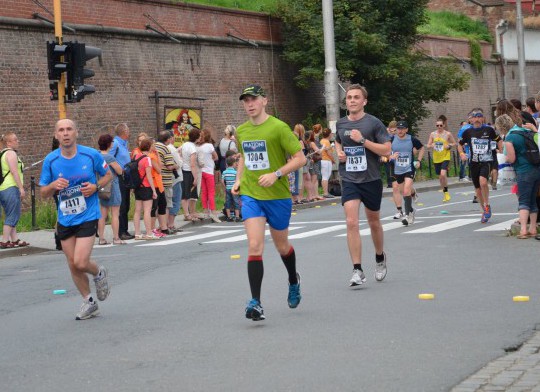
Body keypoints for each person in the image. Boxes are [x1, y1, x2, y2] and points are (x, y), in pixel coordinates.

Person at [232, 84, 306, 321]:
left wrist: (276, 174)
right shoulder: (241, 131)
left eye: (253, 99)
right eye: (246, 101)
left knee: (282, 246)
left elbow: (300, 158)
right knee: (254, 245)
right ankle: (256, 302)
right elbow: (244, 156)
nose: (250, 104)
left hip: (278, 196)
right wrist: (239, 179)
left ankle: (293, 279)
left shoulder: (279, 128)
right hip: (252, 195)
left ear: (264, 101)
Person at [39, 119, 112, 320]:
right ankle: (89, 301)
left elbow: (108, 174)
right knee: (72, 264)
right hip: (65, 218)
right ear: (56, 135)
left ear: (76, 132)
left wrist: (96, 187)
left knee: (81, 262)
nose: (65, 133)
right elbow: (44, 192)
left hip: (88, 215)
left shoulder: (91, 154)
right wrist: (53, 185)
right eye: (61, 130)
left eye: (69, 129)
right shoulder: (51, 161)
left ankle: (98, 272)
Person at [334, 84, 391, 287]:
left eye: (356, 97)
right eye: (349, 97)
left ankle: (379, 257)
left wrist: (363, 141)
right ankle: (357, 269)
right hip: (349, 178)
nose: (352, 100)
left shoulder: (374, 123)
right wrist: (339, 153)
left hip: (371, 178)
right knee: (351, 222)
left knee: (373, 221)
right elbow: (338, 141)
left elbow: (386, 150)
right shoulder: (341, 124)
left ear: (364, 101)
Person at [458, 108, 502, 223]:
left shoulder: (489, 130)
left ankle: (487, 204)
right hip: (474, 162)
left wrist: (501, 152)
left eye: (479, 116)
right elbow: (459, 145)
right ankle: (484, 211)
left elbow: (499, 140)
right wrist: (462, 153)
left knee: (483, 182)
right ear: (471, 119)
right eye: (475, 117)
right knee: (477, 189)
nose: (477, 119)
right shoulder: (467, 132)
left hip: (486, 161)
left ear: (482, 118)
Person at [503, 115, 540, 239]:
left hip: (523, 171)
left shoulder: (510, 137)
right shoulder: (531, 134)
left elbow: (512, 158)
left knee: (523, 200)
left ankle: (523, 230)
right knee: (533, 200)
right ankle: (533, 228)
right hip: (536, 169)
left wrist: (505, 158)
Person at [387, 121, 424, 226]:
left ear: (406, 129)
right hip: (398, 170)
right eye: (398, 128)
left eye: (403, 129)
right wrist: (391, 156)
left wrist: (419, 161)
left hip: (409, 168)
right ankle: (412, 209)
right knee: (403, 191)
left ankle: (408, 216)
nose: (400, 131)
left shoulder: (411, 139)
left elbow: (421, 148)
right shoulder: (392, 139)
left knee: (406, 189)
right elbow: (385, 152)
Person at [0, 132, 29, 249]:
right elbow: (14, 171)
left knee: (10, 214)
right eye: (15, 140)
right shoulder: (11, 153)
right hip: (11, 187)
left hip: (3, 188)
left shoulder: (2, 154)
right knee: (13, 214)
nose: (18, 141)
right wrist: (21, 188)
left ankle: (14, 239)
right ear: (8, 142)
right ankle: (5, 241)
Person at [96, 134, 125, 245]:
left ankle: (101, 238)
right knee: (115, 213)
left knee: (102, 214)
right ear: (109, 144)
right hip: (112, 187)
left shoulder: (96, 156)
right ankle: (116, 238)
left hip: (101, 187)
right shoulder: (109, 158)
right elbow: (119, 171)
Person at [132, 138, 159, 240]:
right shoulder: (147, 159)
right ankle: (148, 233)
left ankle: (137, 233)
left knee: (137, 211)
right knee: (147, 210)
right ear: (149, 146)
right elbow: (148, 176)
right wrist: (153, 190)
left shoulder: (136, 156)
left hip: (137, 187)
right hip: (146, 186)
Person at [110, 123, 134, 240]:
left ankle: (125, 230)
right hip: (119, 177)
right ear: (124, 131)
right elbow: (108, 158)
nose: (129, 132)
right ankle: (121, 232)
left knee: (126, 205)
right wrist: (118, 171)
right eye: (128, 130)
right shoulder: (115, 143)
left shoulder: (124, 144)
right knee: (122, 205)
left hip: (126, 178)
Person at [427, 118, 456, 202]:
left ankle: (446, 192)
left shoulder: (448, 134)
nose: (439, 127)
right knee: (440, 178)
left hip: (445, 156)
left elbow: (454, 143)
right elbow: (428, 145)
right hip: (436, 158)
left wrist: (449, 146)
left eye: (440, 125)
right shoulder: (432, 134)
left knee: (443, 174)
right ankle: (445, 193)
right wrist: (431, 145)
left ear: (444, 125)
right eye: (437, 125)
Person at [155, 131, 177, 233]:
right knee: (167, 204)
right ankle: (165, 226)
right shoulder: (165, 148)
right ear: (167, 139)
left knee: (157, 205)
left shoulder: (154, 147)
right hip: (166, 180)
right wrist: (176, 166)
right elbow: (169, 165)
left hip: (156, 180)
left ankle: (158, 225)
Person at [197, 129, 220, 223]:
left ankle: (205, 211)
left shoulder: (198, 147)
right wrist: (211, 160)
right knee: (211, 192)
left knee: (204, 192)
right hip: (209, 171)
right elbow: (216, 157)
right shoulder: (209, 146)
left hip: (201, 171)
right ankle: (213, 212)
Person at [180, 128, 201, 222]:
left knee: (185, 193)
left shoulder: (185, 144)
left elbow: (177, 151)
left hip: (183, 170)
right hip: (189, 171)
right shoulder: (192, 148)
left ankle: (187, 213)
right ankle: (187, 214)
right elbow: (193, 164)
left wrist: (181, 161)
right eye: (199, 136)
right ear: (197, 137)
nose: (200, 137)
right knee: (186, 194)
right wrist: (195, 177)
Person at [166, 131, 183, 232]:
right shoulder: (172, 149)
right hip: (176, 178)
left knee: (168, 201)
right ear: (171, 138)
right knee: (175, 200)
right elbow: (180, 163)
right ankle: (171, 224)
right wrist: (179, 156)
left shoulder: (163, 148)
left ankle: (166, 223)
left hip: (168, 178)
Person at [222, 155, 241, 221]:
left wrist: (225, 187)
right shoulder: (235, 172)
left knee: (228, 202)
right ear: (234, 163)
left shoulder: (224, 172)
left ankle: (229, 216)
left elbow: (222, 181)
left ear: (227, 164)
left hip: (227, 188)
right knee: (236, 202)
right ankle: (237, 217)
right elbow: (237, 180)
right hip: (234, 189)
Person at [320, 128, 335, 198]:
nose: (332, 134)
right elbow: (329, 153)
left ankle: (325, 192)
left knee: (324, 176)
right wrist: (333, 160)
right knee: (326, 176)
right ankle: (326, 193)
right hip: (326, 160)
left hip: (322, 160)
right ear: (329, 134)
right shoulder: (327, 142)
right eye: (331, 133)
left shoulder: (321, 140)